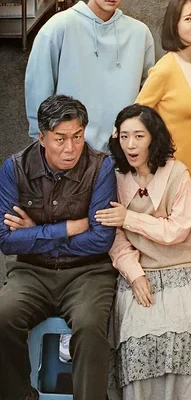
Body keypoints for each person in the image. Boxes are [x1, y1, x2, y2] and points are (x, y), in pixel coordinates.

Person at [0, 95, 118, 400]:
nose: (71, 148)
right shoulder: (15, 168)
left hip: (88, 273)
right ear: (42, 138)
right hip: (31, 271)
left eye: (77, 136)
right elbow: (6, 240)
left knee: (90, 325)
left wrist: (34, 233)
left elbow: (101, 239)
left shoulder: (101, 167)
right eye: (60, 138)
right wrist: (67, 228)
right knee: (3, 315)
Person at [102, 104, 191, 399]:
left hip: (184, 264)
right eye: (125, 136)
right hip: (138, 269)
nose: (131, 145)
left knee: (180, 338)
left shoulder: (178, 174)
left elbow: (178, 229)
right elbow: (115, 236)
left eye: (139, 136)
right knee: (137, 342)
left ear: (153, 137)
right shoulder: (113, 178)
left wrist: (129, 218)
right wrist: (134, 274)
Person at [136, 0, 191, 260]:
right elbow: (138, 116)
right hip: (172, 174)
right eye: (188, 19)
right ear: (174, 25)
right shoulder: (164, 69)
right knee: (177, 247)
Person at [25, 0, 155, 153]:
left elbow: (149, 96)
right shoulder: (59, 27)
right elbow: (38, 91)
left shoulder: (140, 33)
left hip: (123, 153)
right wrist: (41, 146)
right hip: (70, 152)